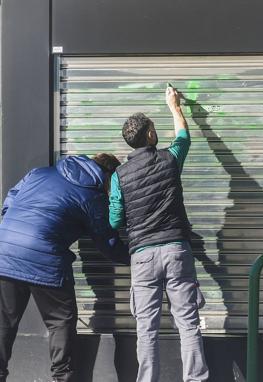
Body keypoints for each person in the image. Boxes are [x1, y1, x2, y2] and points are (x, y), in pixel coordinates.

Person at [0, 153, 129, 382]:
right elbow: (107, 243)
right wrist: (136, 255)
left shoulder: (39, 173)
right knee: (61, 323)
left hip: (5, 253)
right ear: (109, 177)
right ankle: (62, 378)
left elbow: (10, 198)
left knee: (4, 323)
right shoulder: (93, 196)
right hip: (46, 261)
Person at [109, 86, 209, 382]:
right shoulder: (169, 160)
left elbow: (115, 219)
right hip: (177, 250)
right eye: (153, 128)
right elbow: (183, 137)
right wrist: (174, 106)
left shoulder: (119, 176)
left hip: (142, 256)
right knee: (188, 323)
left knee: (146, 329)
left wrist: (138, 225)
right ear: (151, 136)